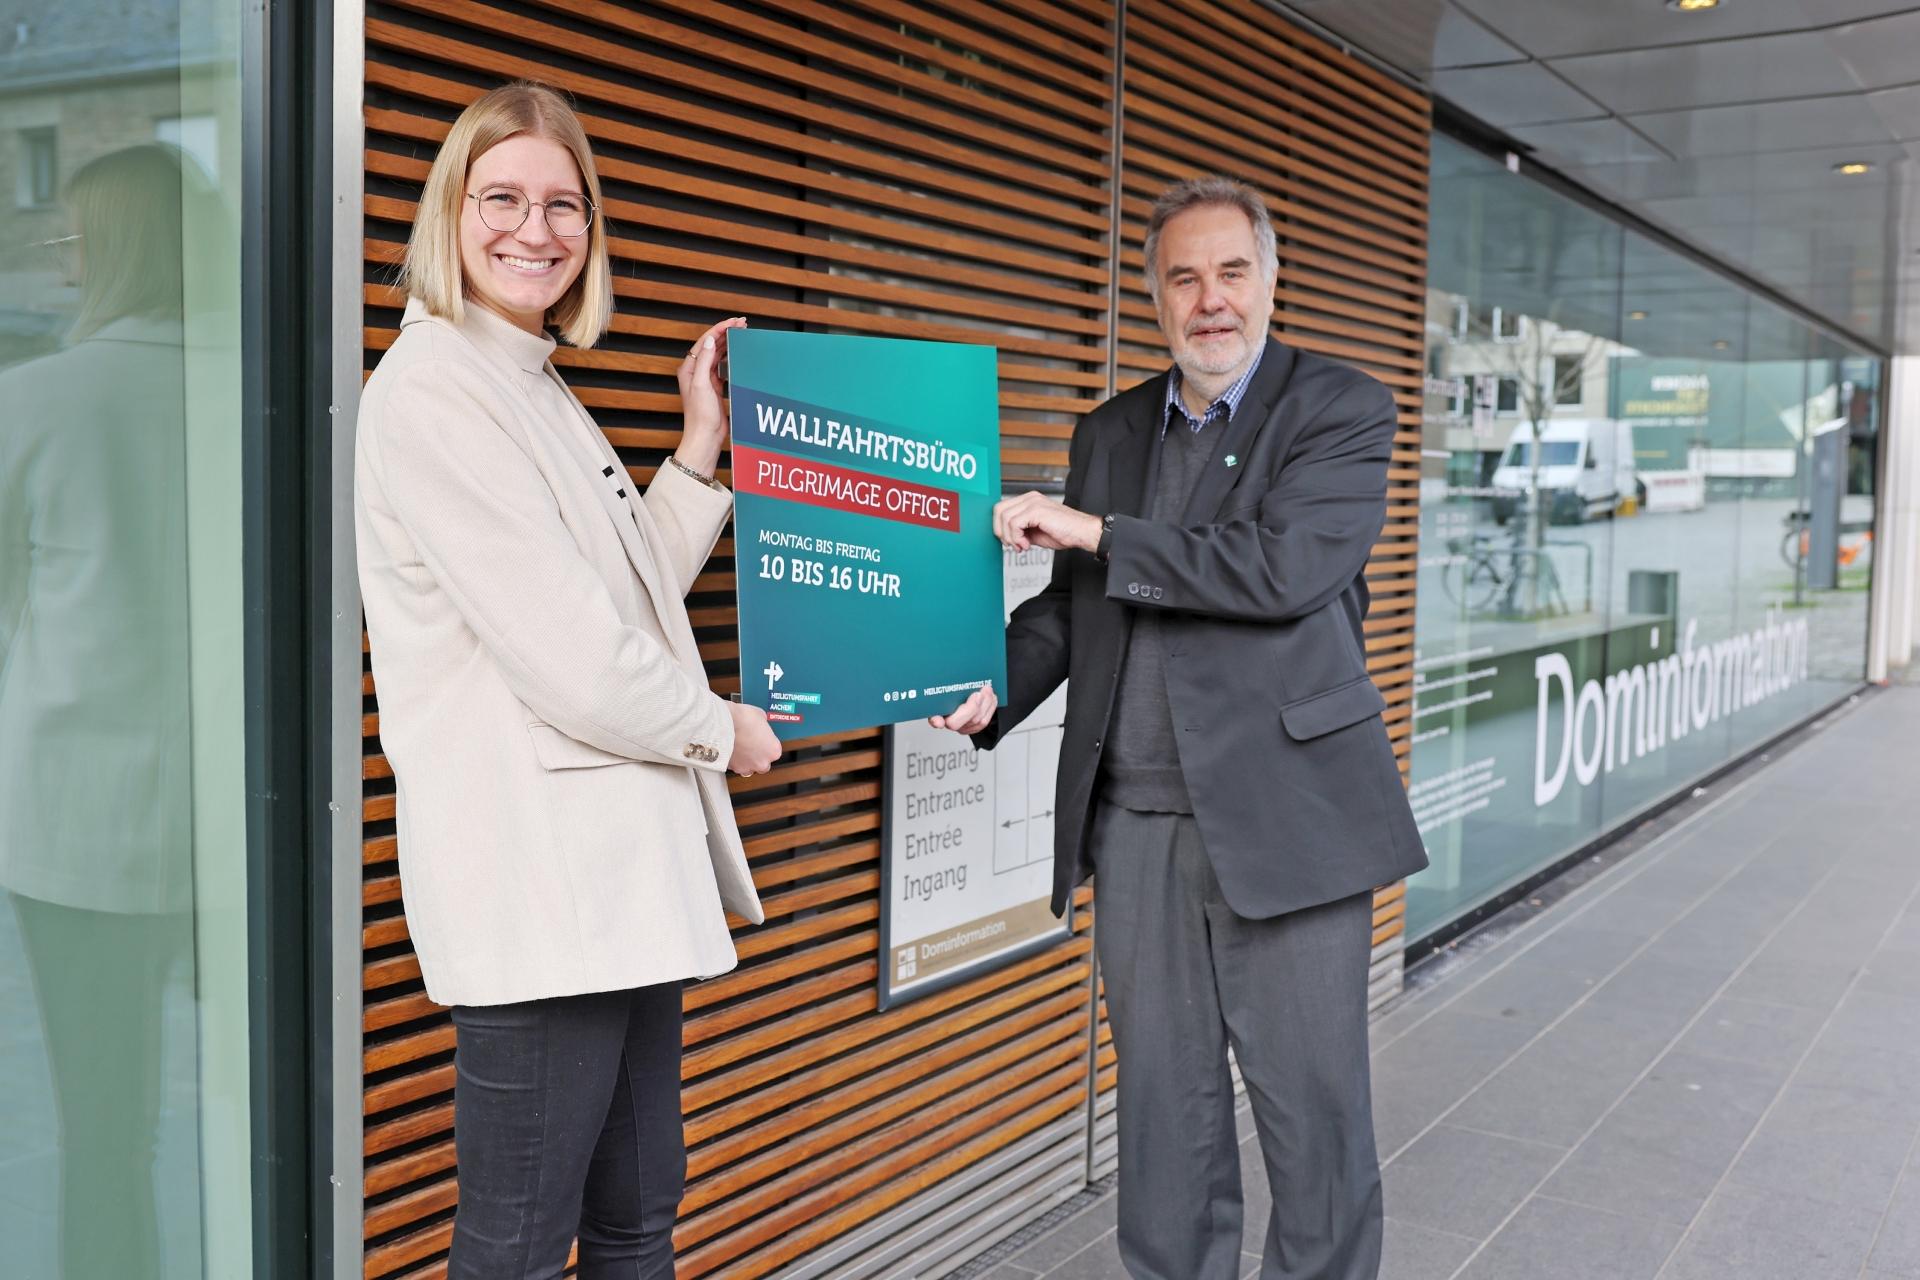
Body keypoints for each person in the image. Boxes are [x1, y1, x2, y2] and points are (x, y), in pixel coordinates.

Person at [933, 175, 1428, 1280]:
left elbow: (1282, 568)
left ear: (1269, 279)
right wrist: (988, 687)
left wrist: (1097, 528)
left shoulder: (1338, 408)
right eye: (1183, 277)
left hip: (1288, 822)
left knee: (1314, 1117)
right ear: (1153, 296)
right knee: (1165, 1115)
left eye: (1232, 272)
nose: (1211, 300)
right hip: (1140, 821)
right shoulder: (1109, 428)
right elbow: (1070, 605)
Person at [353, 81, 781, 1278]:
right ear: (450, 210)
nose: (535, 231)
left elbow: (615, 596)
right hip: (542, 898)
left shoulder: (528, 378)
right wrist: (719, 728)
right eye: (502, 198)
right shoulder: (437, 387)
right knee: (518, 1247)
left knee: (640, 1217)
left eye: (564, 204)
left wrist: (699, 446)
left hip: (620, 891)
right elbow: (573, 655)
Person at [0, 142, 217, 1279]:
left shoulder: (36, 400)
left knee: (104, 1129)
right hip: (232, 823)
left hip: (74, 830)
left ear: (111, 253)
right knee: (256, 1108)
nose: (66, 259)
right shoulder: (257, 392)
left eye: (78, 239)